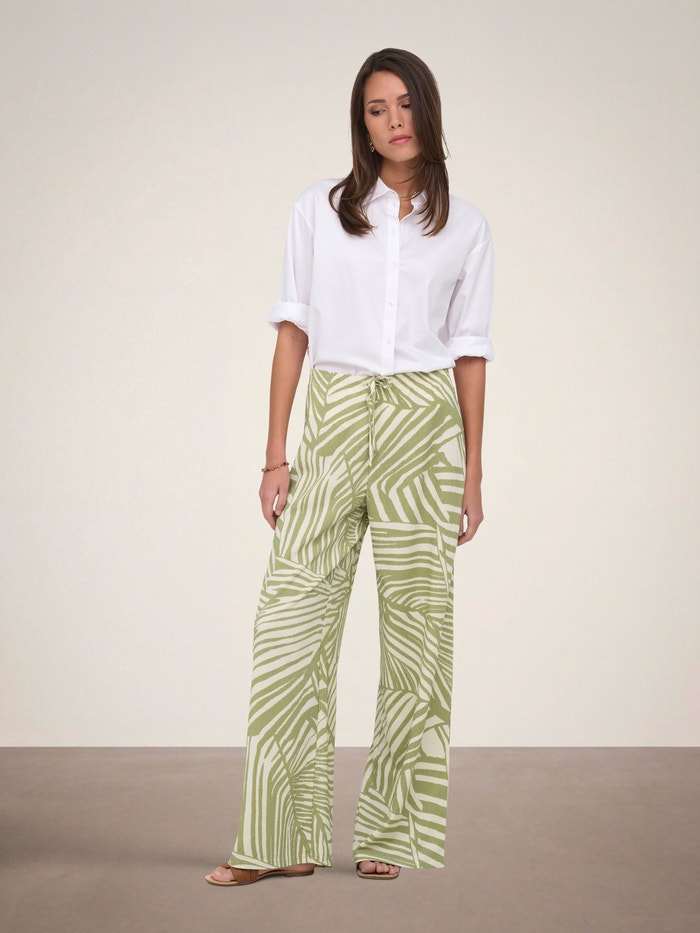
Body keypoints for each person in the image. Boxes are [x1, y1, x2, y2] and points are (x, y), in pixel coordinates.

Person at [206, 47, 494, 887]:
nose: (393, 121)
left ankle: (390, 833)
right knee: (290, 628)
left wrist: (473, 474)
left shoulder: (467, 227)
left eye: (404, 104)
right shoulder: (319, 210)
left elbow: (470, 353)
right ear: (361, 124)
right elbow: (293, 329)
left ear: (428, 112)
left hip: (423, 430)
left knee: (417, 637)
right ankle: (279, 838)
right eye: (376, 108)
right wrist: (275, 454)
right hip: (333, 416)